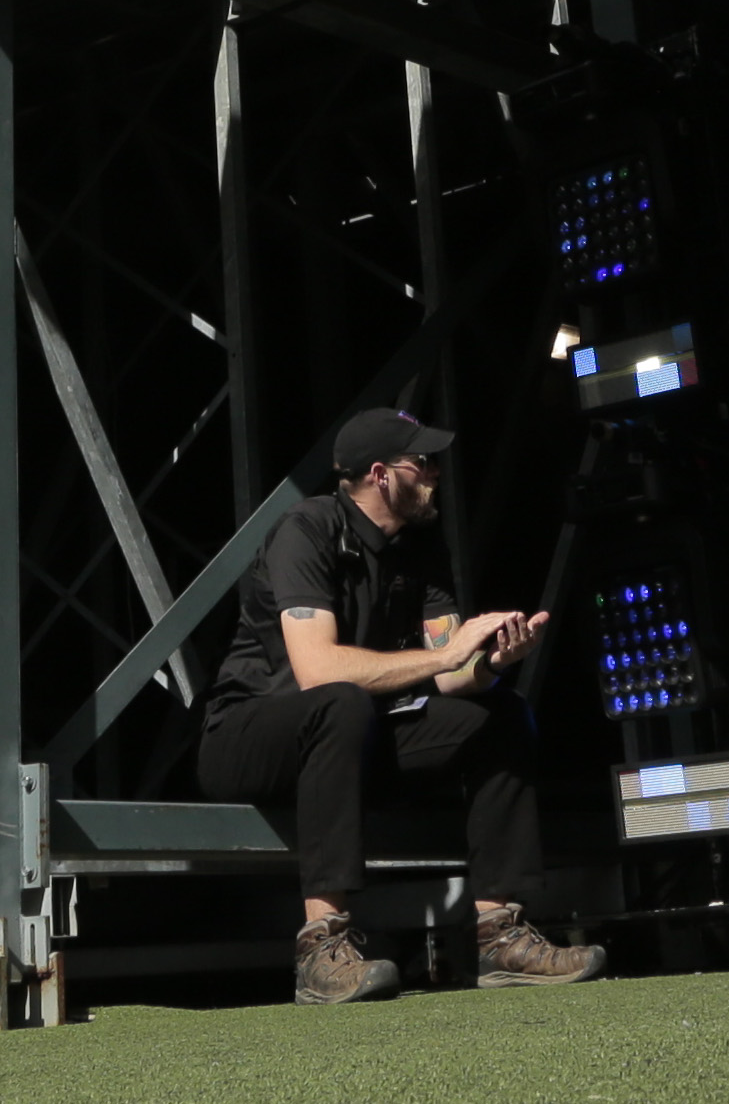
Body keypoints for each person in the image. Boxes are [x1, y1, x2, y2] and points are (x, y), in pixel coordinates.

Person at [194, 406, 604, 1004]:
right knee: (342, 701)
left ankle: (500, 937)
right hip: (246, 738)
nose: (436, 473)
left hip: (349, 738)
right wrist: (446, 658)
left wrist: (491, 661)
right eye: (424, 462)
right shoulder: (305, 531)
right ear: (382, 475)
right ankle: (321, 945)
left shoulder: (418, 548)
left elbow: (452, 672)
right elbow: (317, 670)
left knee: (502, 714)